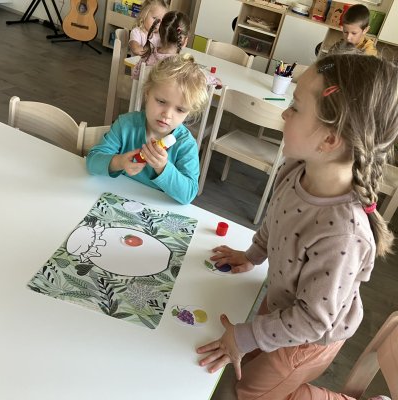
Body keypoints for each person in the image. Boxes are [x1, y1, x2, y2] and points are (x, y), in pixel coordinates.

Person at [196, 52, 398, 400]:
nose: (284, 114)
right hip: (283, 304)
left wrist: (245, 336)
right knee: (249, 360)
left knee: (249, 392)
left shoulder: (344, 235)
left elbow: (313, 321)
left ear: (329, 140)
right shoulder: (296, 168)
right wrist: (253, 255)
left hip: (307, 339)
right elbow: (277, 219)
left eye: (295, 106)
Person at [86, 54, 209, 205]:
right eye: (161, 101)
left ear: (188, 113)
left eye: (180, 110)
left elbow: (188, 194)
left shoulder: (185, 144)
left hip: (155, 207)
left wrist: (162, 167)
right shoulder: (126, 125)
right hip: (114, 199)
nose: (167, 115)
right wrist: (119, 162)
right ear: (147, 93)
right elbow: (92, 161)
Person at [131, 11, 222, 88]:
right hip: (168, 103)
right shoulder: (181, 66)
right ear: (185, 41)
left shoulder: (147, 56)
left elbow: (135, 75)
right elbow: (199, 78)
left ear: (160, 33)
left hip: (146, 100)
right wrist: (215, 80)